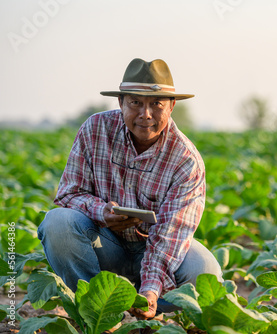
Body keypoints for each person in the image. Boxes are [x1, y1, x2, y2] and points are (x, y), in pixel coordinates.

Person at [37, 58, 223, 320]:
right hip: (104, 246)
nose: (145, 114)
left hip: (155, 249)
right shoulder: (95, 130)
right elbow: (69, 193)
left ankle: (147, 307)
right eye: (135, 102)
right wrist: (102, 212)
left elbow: (171, 236)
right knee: (57, 222)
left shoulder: (186, 161)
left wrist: (150, 290)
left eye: (156, 104)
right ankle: (97, 310)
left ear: (171, 106)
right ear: (121, 102)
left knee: (206, 274)